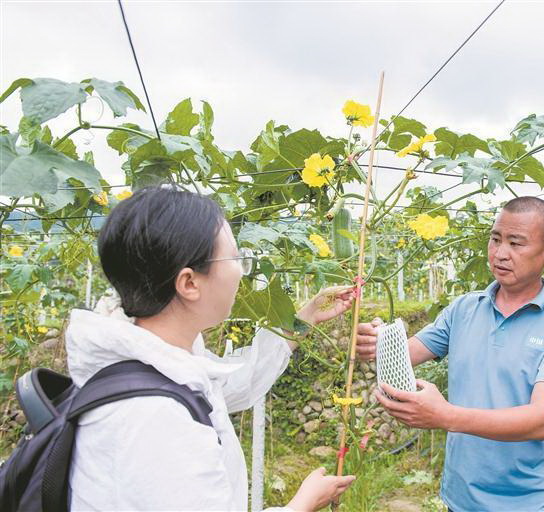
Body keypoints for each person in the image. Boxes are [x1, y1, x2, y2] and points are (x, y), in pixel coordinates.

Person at [66, 185, 356, 511]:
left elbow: (232, 387)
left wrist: (304, 319)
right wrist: (300, 505)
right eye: (234, 257)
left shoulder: (161, 360)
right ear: (189, 283)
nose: (240, 271)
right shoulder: (154, 420)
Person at [356, 197, 544, 511]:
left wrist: (445, 416)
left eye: (516, 243)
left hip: (528, 503)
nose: (501, 253)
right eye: (495, 239)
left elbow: (541, 420)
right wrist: (375, 343)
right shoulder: (465, 309)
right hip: (459, 499)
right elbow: (402, 355)